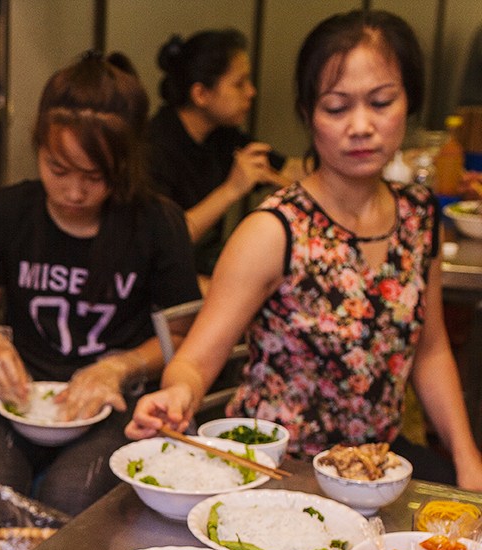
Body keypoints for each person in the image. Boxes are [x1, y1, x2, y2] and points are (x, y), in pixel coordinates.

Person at [128, 11, 482, 491]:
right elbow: (194, 361)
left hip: (375, 467)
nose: (361, 126)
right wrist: (175, 394)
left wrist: (467, 459)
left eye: (381, 102)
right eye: (337, 108)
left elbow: (431, 347)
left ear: (409, 101)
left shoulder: (418, 216)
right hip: (276, 472)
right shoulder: (273, 230)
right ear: (308, 113)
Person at [0, 51, 201, 517]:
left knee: (71, 499)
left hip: (114, 405)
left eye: (94, 176)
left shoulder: (157, 223)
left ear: (124, 164)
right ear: (38, 149)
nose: (72, 192)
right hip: (20, 397)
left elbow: (182, 340)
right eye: (57, 168)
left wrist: (118, 367)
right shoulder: (5, 213)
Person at [148, 29, 302, 278]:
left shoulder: (221, 134)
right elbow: (163, 244)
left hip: (206, 264)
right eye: (239, 84)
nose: (251, 92)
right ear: (201, 94)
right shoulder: (154, 146)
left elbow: (288, 168)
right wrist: (232, 189)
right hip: (163, 277)